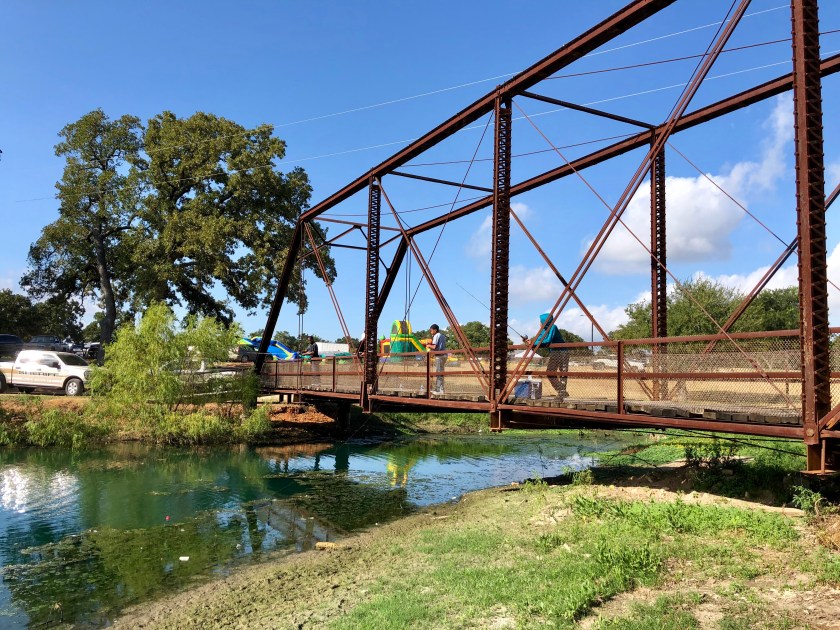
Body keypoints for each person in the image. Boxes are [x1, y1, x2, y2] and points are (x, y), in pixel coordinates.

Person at [527, 313, 569, 400]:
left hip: (563, 352)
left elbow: (547, 340)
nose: (539, 323)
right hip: (554, 352)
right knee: (549, 372)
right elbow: (538, 340)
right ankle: (561, 391)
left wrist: (533, 343)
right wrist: (531, 342)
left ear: (545, 321)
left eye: (541, 321)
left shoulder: (553, 327)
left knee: (563, 373)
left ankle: (561, 393)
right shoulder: (543, 330)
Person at [424, 324, 447, 395]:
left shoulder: (436, 336)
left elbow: (434, 347)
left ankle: (438, 390)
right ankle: (441, 389)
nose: (431, 332)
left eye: (431, 330)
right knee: (441, 372)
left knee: (438, 373)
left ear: (435, 330)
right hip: (444, 355)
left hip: (439, 356)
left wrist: (428, 345)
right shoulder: (443, 336)